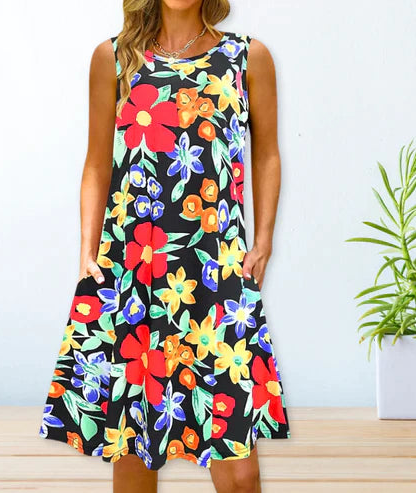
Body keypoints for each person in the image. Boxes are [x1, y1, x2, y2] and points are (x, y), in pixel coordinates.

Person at [39, 1, 292, 492]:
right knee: (134, 448)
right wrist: (87, 250)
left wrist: (263, 241)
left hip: (214, 272)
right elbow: (97, 162)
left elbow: (267, 154)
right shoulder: (115, 57)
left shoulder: (247, 57)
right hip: (134, 269)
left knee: (239, 468)